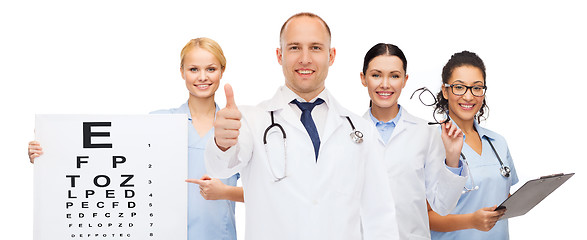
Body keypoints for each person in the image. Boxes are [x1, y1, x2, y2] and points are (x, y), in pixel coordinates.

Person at [205, 12, 398, 240]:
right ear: (280, 55)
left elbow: (380, 216)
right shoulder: (251, 121)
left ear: (331, 55)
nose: (305, 59)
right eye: (295, 47)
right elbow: (221, 167)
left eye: (315, 48)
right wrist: (222, 142)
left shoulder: (360, 129)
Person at [28, 37, 244, 240]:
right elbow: (106, 161)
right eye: (194, 69)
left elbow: (263, 191)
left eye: (211, 69)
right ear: (181, 72)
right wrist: (49, 153)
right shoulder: (157, 123)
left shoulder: (238, 128)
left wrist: (224, 191)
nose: (202, 77)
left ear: (222, 71)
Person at [359, 43, 467, 240]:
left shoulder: (425, 132)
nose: (385, 84)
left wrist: (452, 158)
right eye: (376, 75)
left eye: (394, 75)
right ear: (363, 78)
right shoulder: (349, 132)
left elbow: (442, 205)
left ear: (404, 80)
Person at [428, 51, 519, 239]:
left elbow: (501, 196)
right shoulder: (429, 142)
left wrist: (531, 196)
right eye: (459, 87)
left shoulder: (498, 142)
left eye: (477, 88)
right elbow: (424, 215)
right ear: (445, 91)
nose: (469, 97)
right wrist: (471, 221)